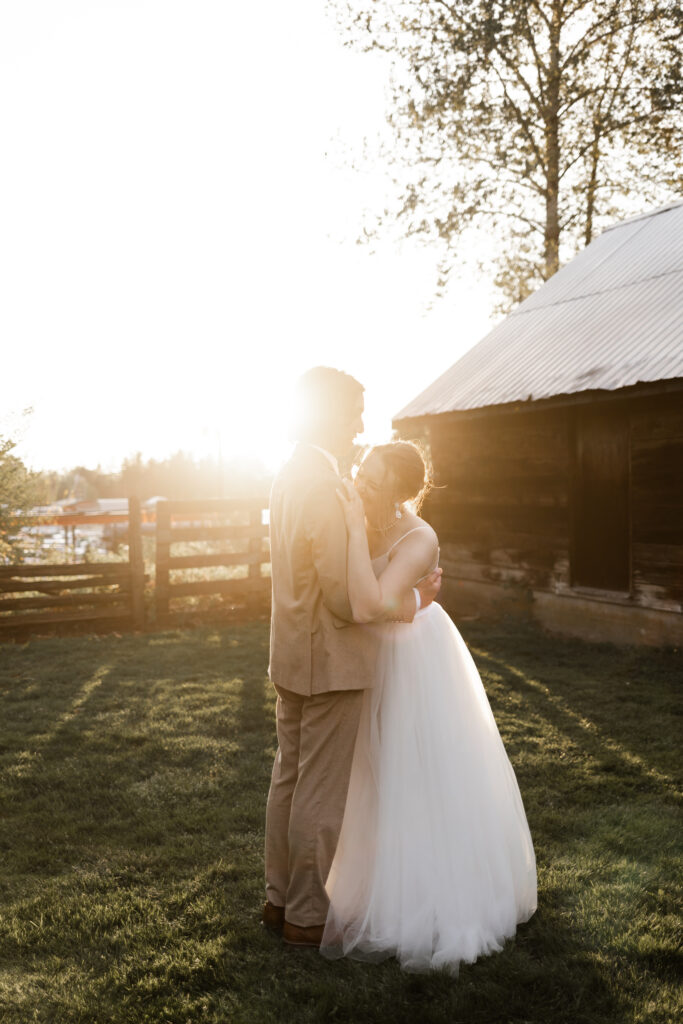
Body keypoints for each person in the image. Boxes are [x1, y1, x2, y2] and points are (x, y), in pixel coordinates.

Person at [321, 439, 537, 973]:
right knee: (370, 773)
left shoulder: (419, 539)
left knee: (416, 770)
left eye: (371, 478)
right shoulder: (366, 512)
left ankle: (427, 897)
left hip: (413, 658)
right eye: (360, 472)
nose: (359, 483)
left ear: (397, 490)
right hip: (371, 653)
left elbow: (372, 604)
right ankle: (367, 881)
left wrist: (411, 596)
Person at [263, 369, 442, 948]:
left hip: (292, 651)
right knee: (321, 793)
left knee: (288, 781)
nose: (360, 426)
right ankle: (307, 917)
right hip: (329, 658)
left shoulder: (292, 472)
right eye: (354, 413)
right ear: (327, 413)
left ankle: (276, 900)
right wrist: (412, 601)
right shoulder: (323, 483)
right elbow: (347, 598)